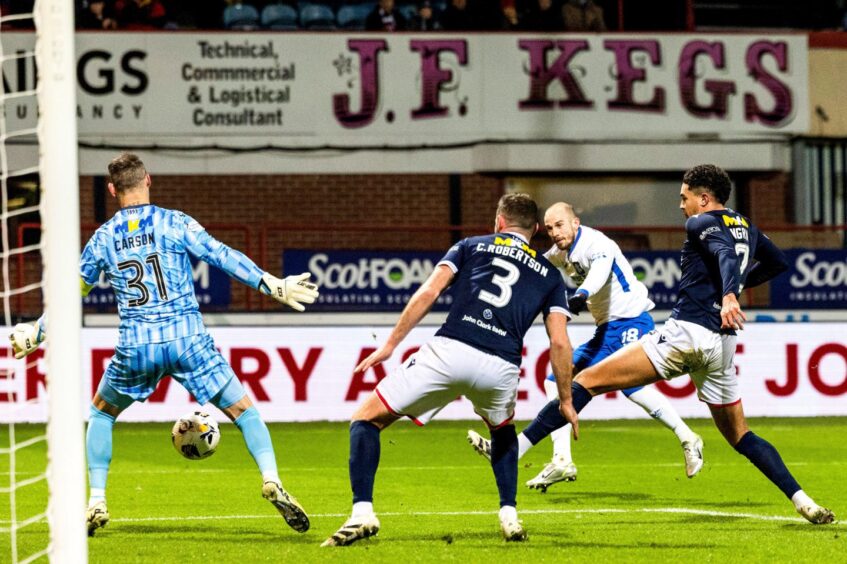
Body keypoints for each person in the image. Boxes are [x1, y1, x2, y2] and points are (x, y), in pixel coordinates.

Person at [487, 165, 835, 525]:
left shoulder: (700, 223)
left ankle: (514, 449)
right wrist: (736, 289)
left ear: (704, 198)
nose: (680, 204)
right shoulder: (744, 225)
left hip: (686, 335)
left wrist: (730, 292)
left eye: (685, 197)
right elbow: (777, 261)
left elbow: (724, 256)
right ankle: (803, 501)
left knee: (584, 382)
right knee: (740, 435)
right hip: (722, 344)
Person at [9, 153, 320, 536]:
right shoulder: (174, 221)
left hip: (137, 344)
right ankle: (271, 478)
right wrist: (270, 283)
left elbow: (71, 292)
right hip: (188, 338)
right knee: (244, 411)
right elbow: (221, 255)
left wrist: (39, 332)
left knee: (103, 414)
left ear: (112, 190)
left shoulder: (103, 238)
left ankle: (97, 499)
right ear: (148, 180)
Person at [321, 194, 577, 546]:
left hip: (451, 350)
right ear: (535, 230)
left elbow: (430, 291)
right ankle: (509, 515)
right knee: (502, 430)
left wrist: (391, 344)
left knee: (366, 419)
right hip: (501, 365)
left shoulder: (471, 246)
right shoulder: (550, 275)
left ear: (499, 222)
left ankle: (362, 513)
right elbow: (560, 343)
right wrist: (565, 399)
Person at [468, 202, 703, 491]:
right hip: (606, 331)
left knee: (630, 385)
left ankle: (688, 438)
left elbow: (600, 271)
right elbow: (535, 266)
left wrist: (581, 294)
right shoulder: (560, 252)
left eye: (560, 225)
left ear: (575, 223)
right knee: (556, 381)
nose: (555, 232)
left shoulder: (596, 243)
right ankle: (562, 459)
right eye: (550, 228)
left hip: (632, 322)